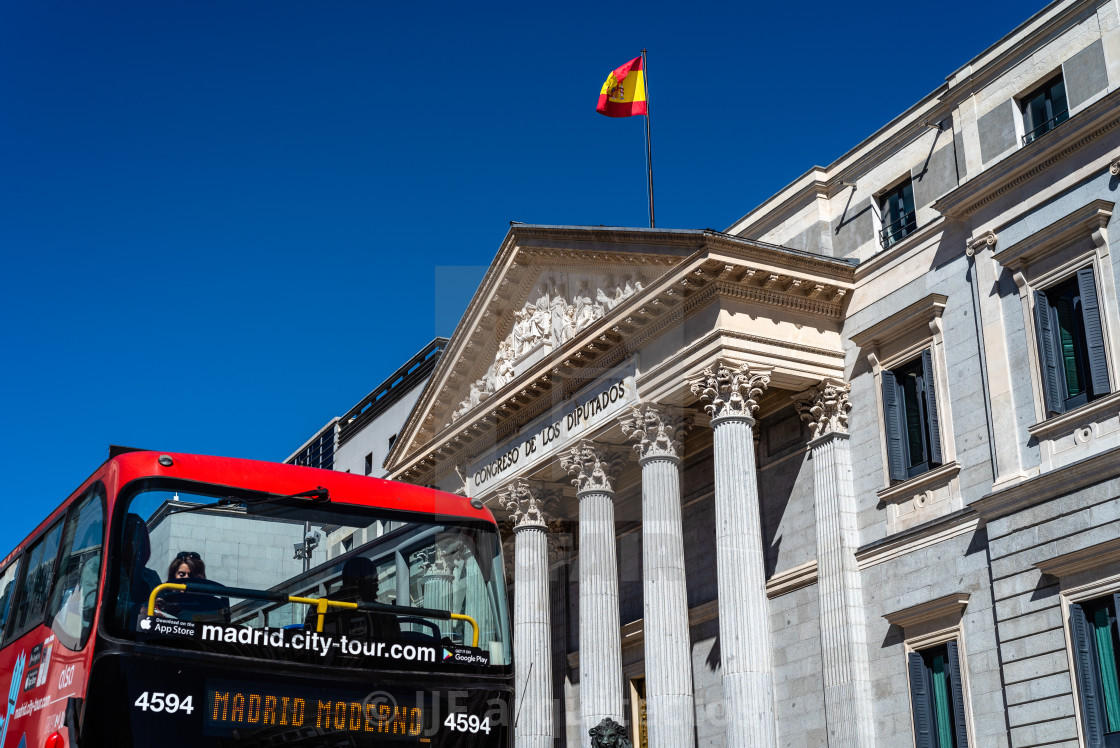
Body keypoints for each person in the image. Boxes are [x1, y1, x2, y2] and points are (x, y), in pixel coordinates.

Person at [308, 557, 400, 642]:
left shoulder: (318, 606)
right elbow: (396, 650)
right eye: (374, 581)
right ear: (359, 580)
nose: (377, 587)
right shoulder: (385, 614)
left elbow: (307, 646)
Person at [155, 551, 230, 623]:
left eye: (191, 575)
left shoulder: (211, 604)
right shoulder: (162, 600)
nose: (186, 578)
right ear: (173, 575)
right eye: (181, 574)